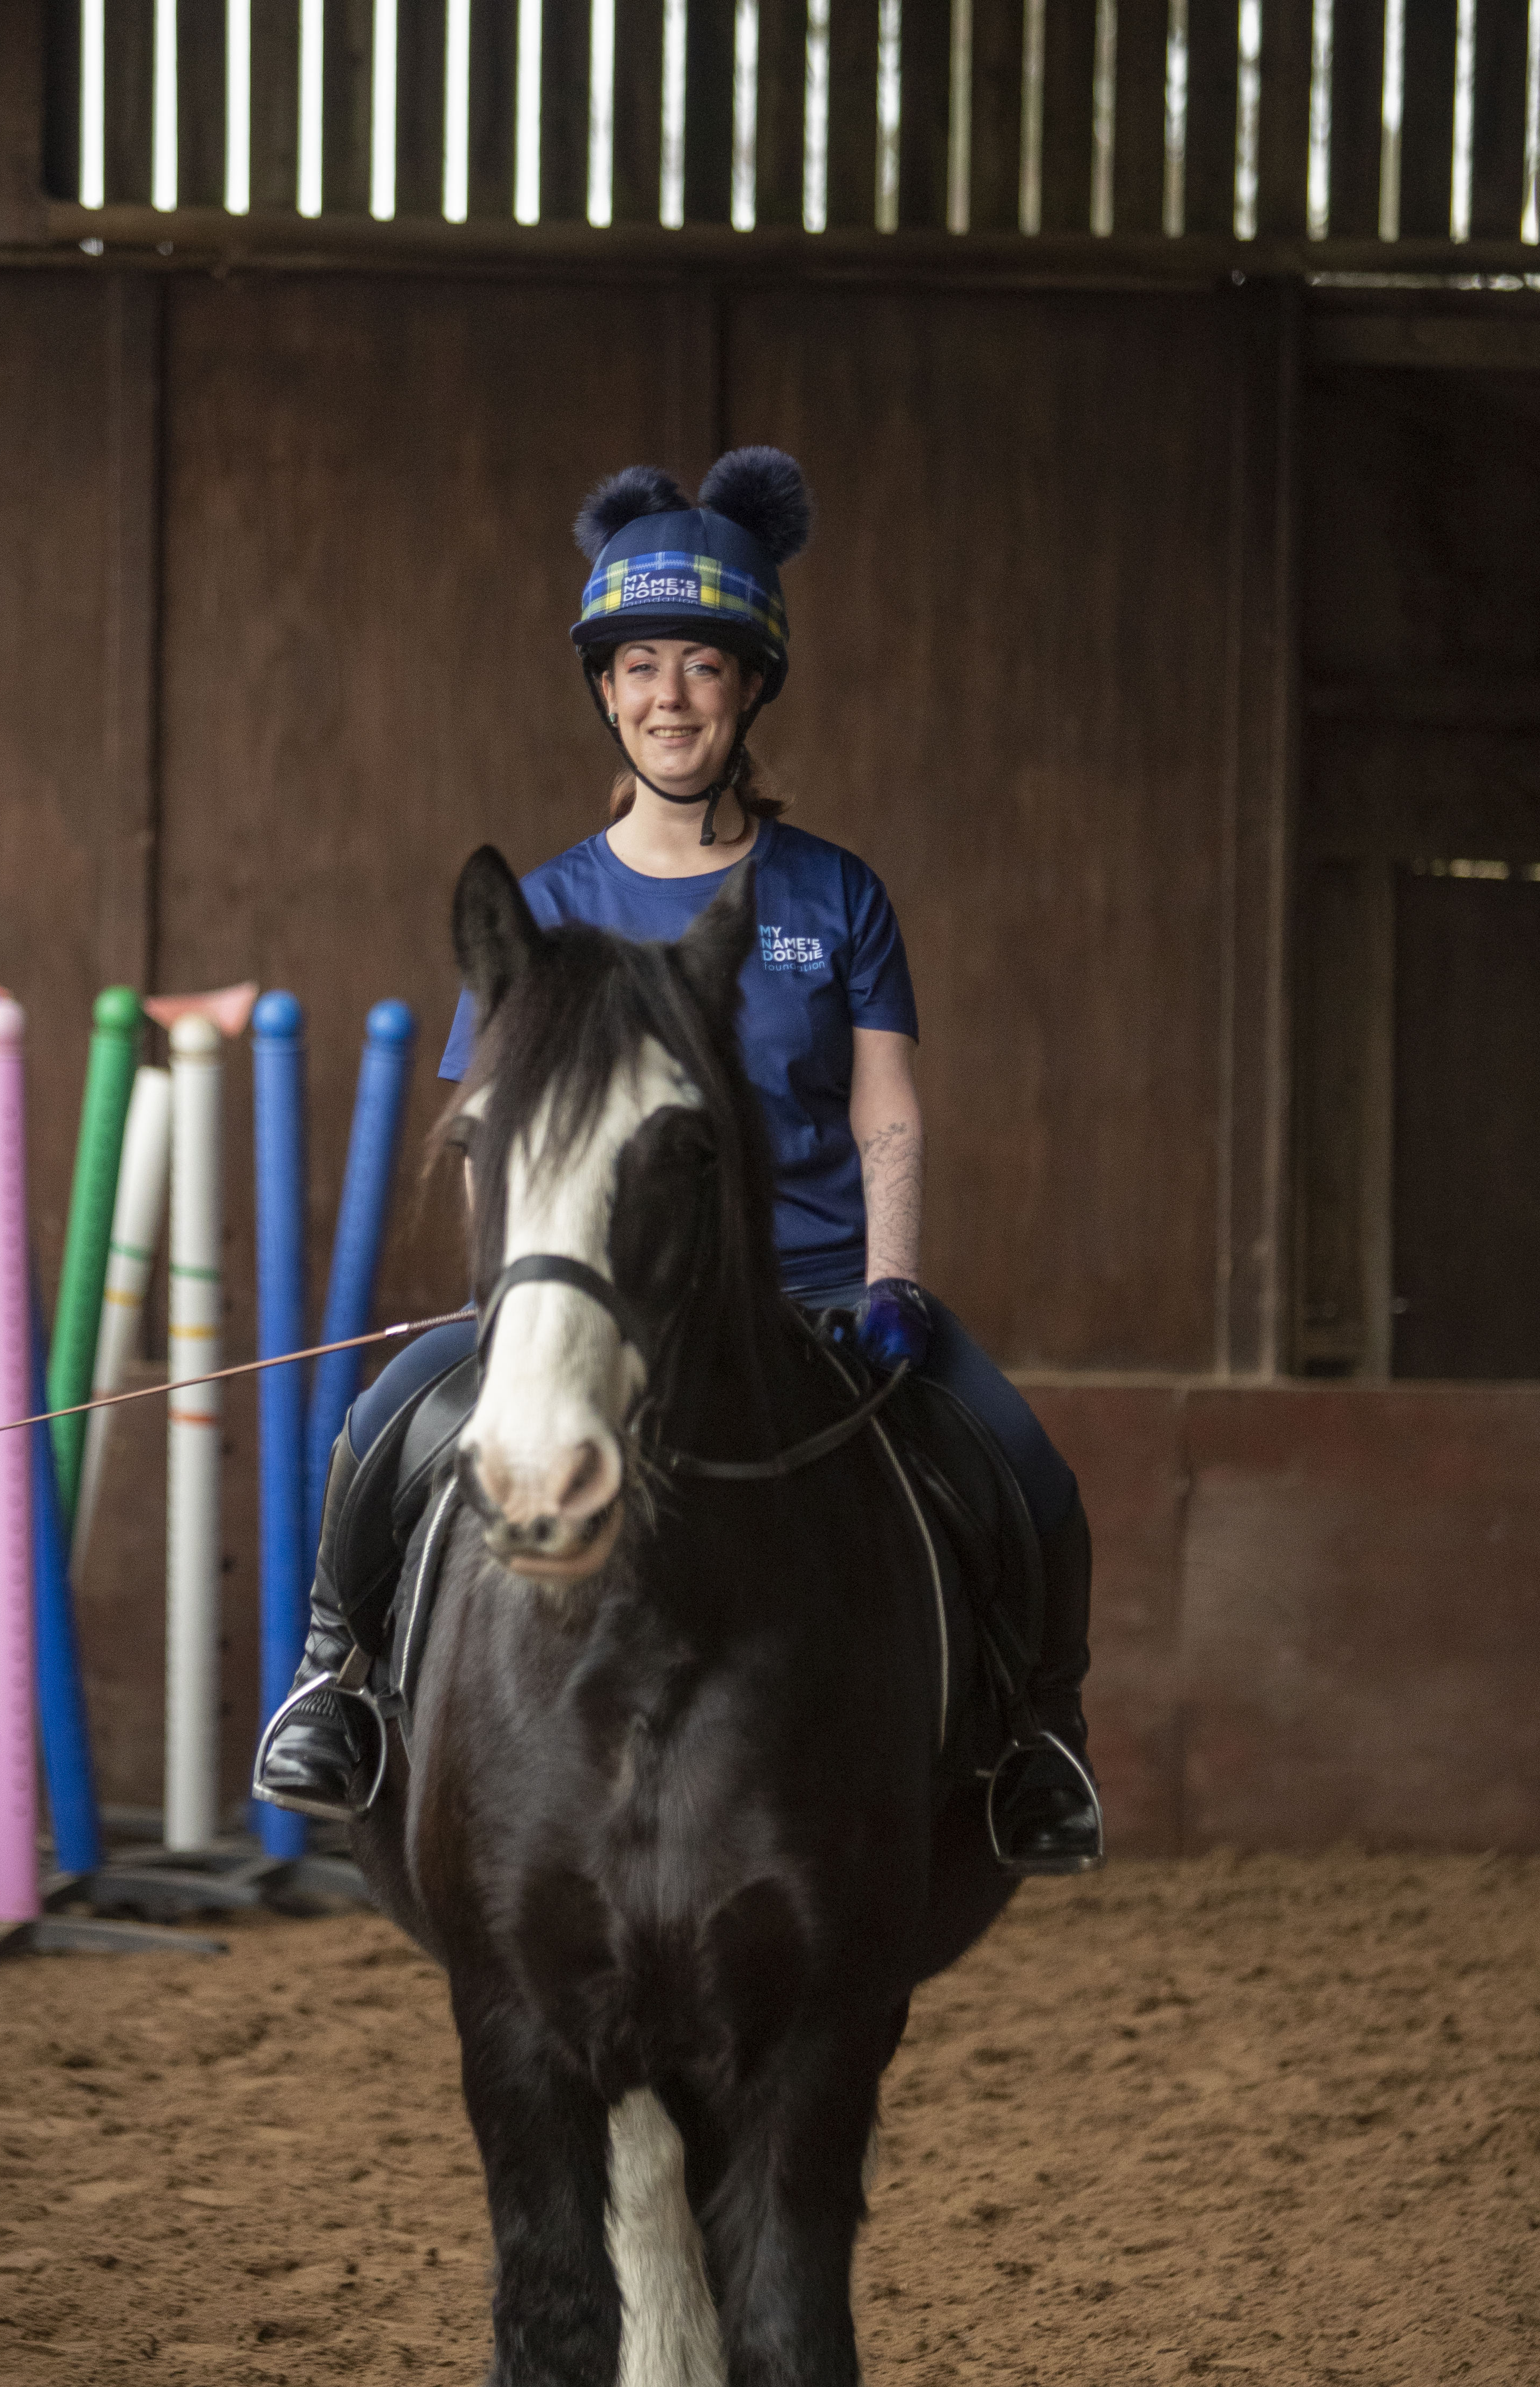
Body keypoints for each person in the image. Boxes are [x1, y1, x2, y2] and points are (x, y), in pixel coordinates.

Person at [255, 447, 1102, 1873]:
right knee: (379, 1426)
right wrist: (520, 1292)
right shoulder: (548, 905)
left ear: (753, 685)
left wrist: (894, 1280)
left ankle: (1038, 1741)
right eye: (639, 665)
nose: (668, 697)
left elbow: (887, 1107)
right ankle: (335, 1689)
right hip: (580, 1294)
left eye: (701, 667)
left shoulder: (835, 893)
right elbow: (499, 1130)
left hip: (821, 1294)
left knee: (1027, 1467)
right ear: (605, 687)